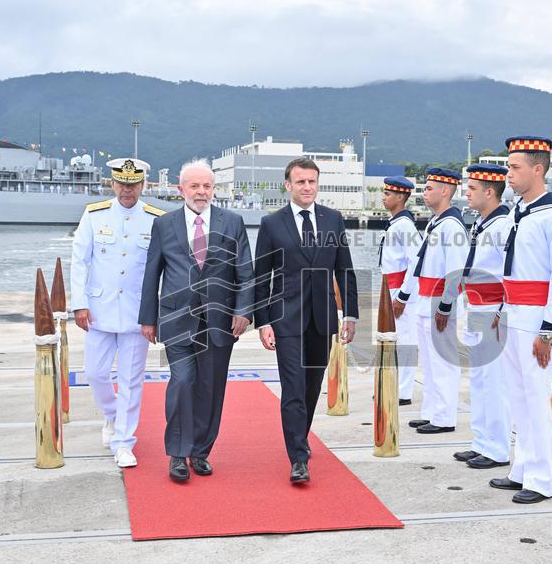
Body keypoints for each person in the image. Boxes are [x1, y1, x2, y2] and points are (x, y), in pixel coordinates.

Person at [139, 159, 254, 482]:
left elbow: (245, 271)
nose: (201, 192)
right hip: (176, 320)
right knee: (182, 383)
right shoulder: (165, 225)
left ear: (213, 190)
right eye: (195, 186)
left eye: (207, 186)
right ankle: (177, 452)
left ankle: (200, 451)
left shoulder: (232, 222)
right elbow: (152, 273)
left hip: (220, 322)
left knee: (210, 388)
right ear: (181, 189)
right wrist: (148, 318)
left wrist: (243, 311)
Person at [254, 157, 359, 483]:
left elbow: (345, 269)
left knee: (312, 387)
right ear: (288, 185)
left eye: (312, 181)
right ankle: (298, 457)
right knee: (293, 389)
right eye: (300, 182)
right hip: (286, 320)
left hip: (322, 318)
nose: (307, 187)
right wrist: (264, 321)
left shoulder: (333, 219)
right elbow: (262, 277)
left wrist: (350, 314)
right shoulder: (272, 224)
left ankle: (300, 436)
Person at [486, 138, 552, 504]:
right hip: (513, 316)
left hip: (537, 319)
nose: (508, 174)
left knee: (538, 400)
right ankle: (521, 467)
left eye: (515, 167)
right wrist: (500, 311)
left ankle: (541, 478)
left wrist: (550, 329)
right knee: (519, 397)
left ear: (538, 169)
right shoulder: (515, 214)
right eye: (509, 167)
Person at [71, 158, 163, 468]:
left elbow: (163, 269)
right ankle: (112, 415)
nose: (127, 189)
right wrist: (79, 303)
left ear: (143, 185)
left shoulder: (156, 219)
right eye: (121, 183)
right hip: (98, 311)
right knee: (95, 374)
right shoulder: (94, 215)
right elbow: (79, 261)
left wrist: (157, 313)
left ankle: (124, 441)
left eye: (133, 184)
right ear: (112, 184)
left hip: (138, 313)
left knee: (131, 380)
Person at [394, 167, 468, 434]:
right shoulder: (436, 222)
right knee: (430, 363)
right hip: (425, 301)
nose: (424, 193)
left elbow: (456, 272)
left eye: (429, 188)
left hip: (438, 304)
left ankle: (445, 417)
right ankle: (432, 411)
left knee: (443, 363)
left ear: (445, 191)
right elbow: (420, 264)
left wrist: (446, 306)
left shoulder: (452, 226)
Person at [454, 163, 511, 470]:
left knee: (495, 382)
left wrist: (502, 312)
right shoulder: (481, 224)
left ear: (490, 192)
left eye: (472, 188)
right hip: (476, 307)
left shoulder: (503, 225)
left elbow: (509, 274)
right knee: (478, 379)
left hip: (492, 311)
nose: (467, 193)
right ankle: (482, 441)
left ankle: (498, 448)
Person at [378, 176, 420, 405]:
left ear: (401, 197)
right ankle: (394, 385)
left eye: (388, 194)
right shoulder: (396, 223)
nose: (384, 197)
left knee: (405, 341)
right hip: (390, 287)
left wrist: (403, 296)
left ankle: (404, 391)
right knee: (392, 340)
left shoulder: (405, 226)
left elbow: (414, 262)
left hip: (400, 290)